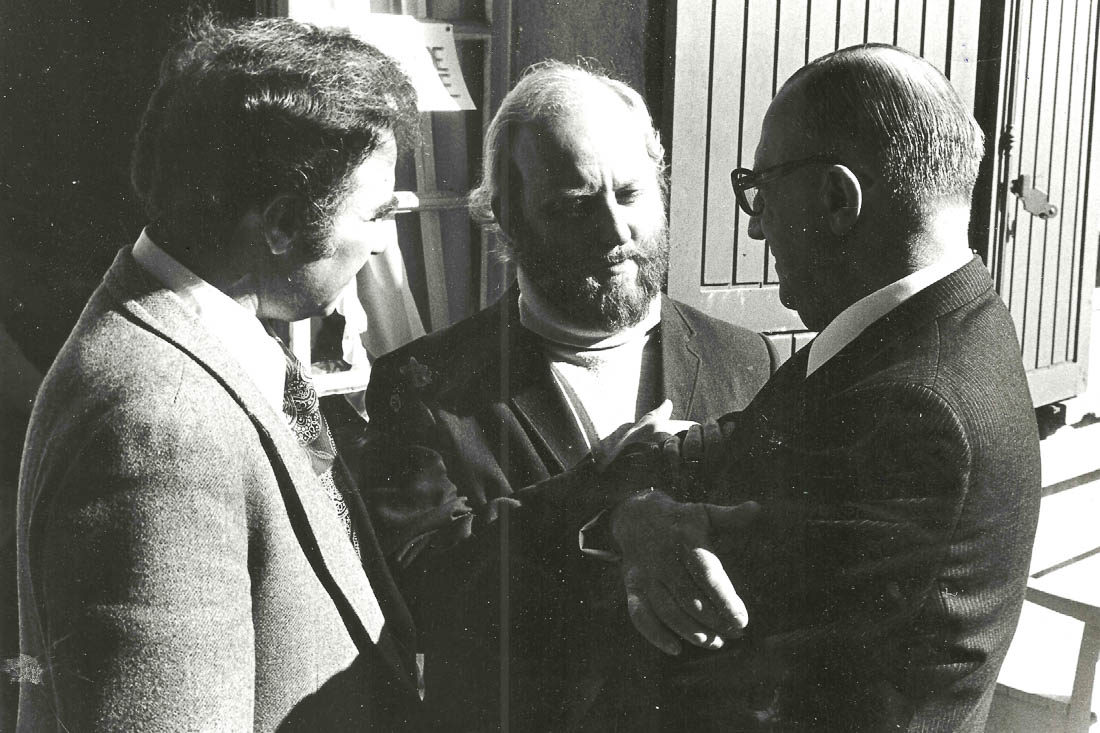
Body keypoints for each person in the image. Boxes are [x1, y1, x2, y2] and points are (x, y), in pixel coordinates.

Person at [606, 44, 1042, 731]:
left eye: (762, 190)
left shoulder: (915, 402)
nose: (756, 224)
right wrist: (640, 502)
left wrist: (633, 519)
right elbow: (742, 442)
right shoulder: (926, 326)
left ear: (838, 199)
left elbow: (734, 672)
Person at [16, 15, 424, 731]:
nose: (384, 243)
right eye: (374, 214)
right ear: (282, 224)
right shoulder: (161, 426)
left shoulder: (201, 347)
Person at [359, 61, 777, 731]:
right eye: (575, 205)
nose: (615, 230)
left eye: (631, 193)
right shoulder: (423, 384)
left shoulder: (747, 359)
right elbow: (424, 589)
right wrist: (598, 507)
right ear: (506, 217)